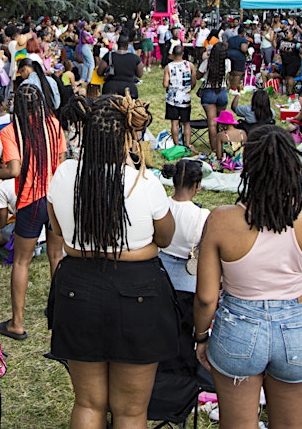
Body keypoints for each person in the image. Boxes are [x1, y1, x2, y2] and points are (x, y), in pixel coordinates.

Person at [194, 125, 302, 429]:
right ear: (293, 164)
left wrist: (200, 337)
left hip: (237, 328)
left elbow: (207, 297)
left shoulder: (221, 220)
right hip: (297, 329)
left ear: (248, 166)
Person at [47, 94, 178, 429]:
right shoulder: (144, 183)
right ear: (126, 136)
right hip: (138, 290)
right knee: (131, 411)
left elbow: (59, 231)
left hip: (77, 287)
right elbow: (165, 238)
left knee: (87, 403)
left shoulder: (63, 175)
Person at [0, 83, 67, 340]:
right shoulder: (53, 123)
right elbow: (62, 161)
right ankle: (60, 311)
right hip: (55, 197)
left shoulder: (11, 131)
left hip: (30, 200)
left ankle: (17, 323)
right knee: (56, 257)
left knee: (21, 261)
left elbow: (14, 170)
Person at [157, 159, 210, 294]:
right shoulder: (202, 215)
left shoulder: (160, 205)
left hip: (159, 268)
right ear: (197, 185)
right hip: (187, 277)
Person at [196, 42, 229, 159]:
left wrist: (203, 59)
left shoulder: (207, 63)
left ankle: (214, 149)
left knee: (212, 123)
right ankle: (223, 146)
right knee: (221, 122)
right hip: (222, 92)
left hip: (209, 92)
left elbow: (197, 76)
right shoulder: (227, 63)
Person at [163, 43, 194, 148]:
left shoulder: (169, 67)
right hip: (185, 98)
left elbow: (165, 84)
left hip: (172, 99)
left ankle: (176, 145)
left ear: (172, 54)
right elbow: (193, 82)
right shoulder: (189, 65)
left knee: (174, 123)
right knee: (186, 122)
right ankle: (188, 143)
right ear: (183, 54)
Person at [100, 33, 144, 98]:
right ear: (127, 44)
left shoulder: (109, 55)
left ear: (117, 43)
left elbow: (100, 72)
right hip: (129, 88)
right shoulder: (135, 58)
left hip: (110, 87)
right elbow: (140, 74)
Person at [227, 26, 249, 92]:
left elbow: (226, 45)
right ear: (243, 33)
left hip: (229, 56)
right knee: (237, 73)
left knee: (231, 73)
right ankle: (234, 89)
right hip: (239, 58)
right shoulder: (243, 40)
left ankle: (231, 87)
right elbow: (243, 49)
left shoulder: (231, 38)